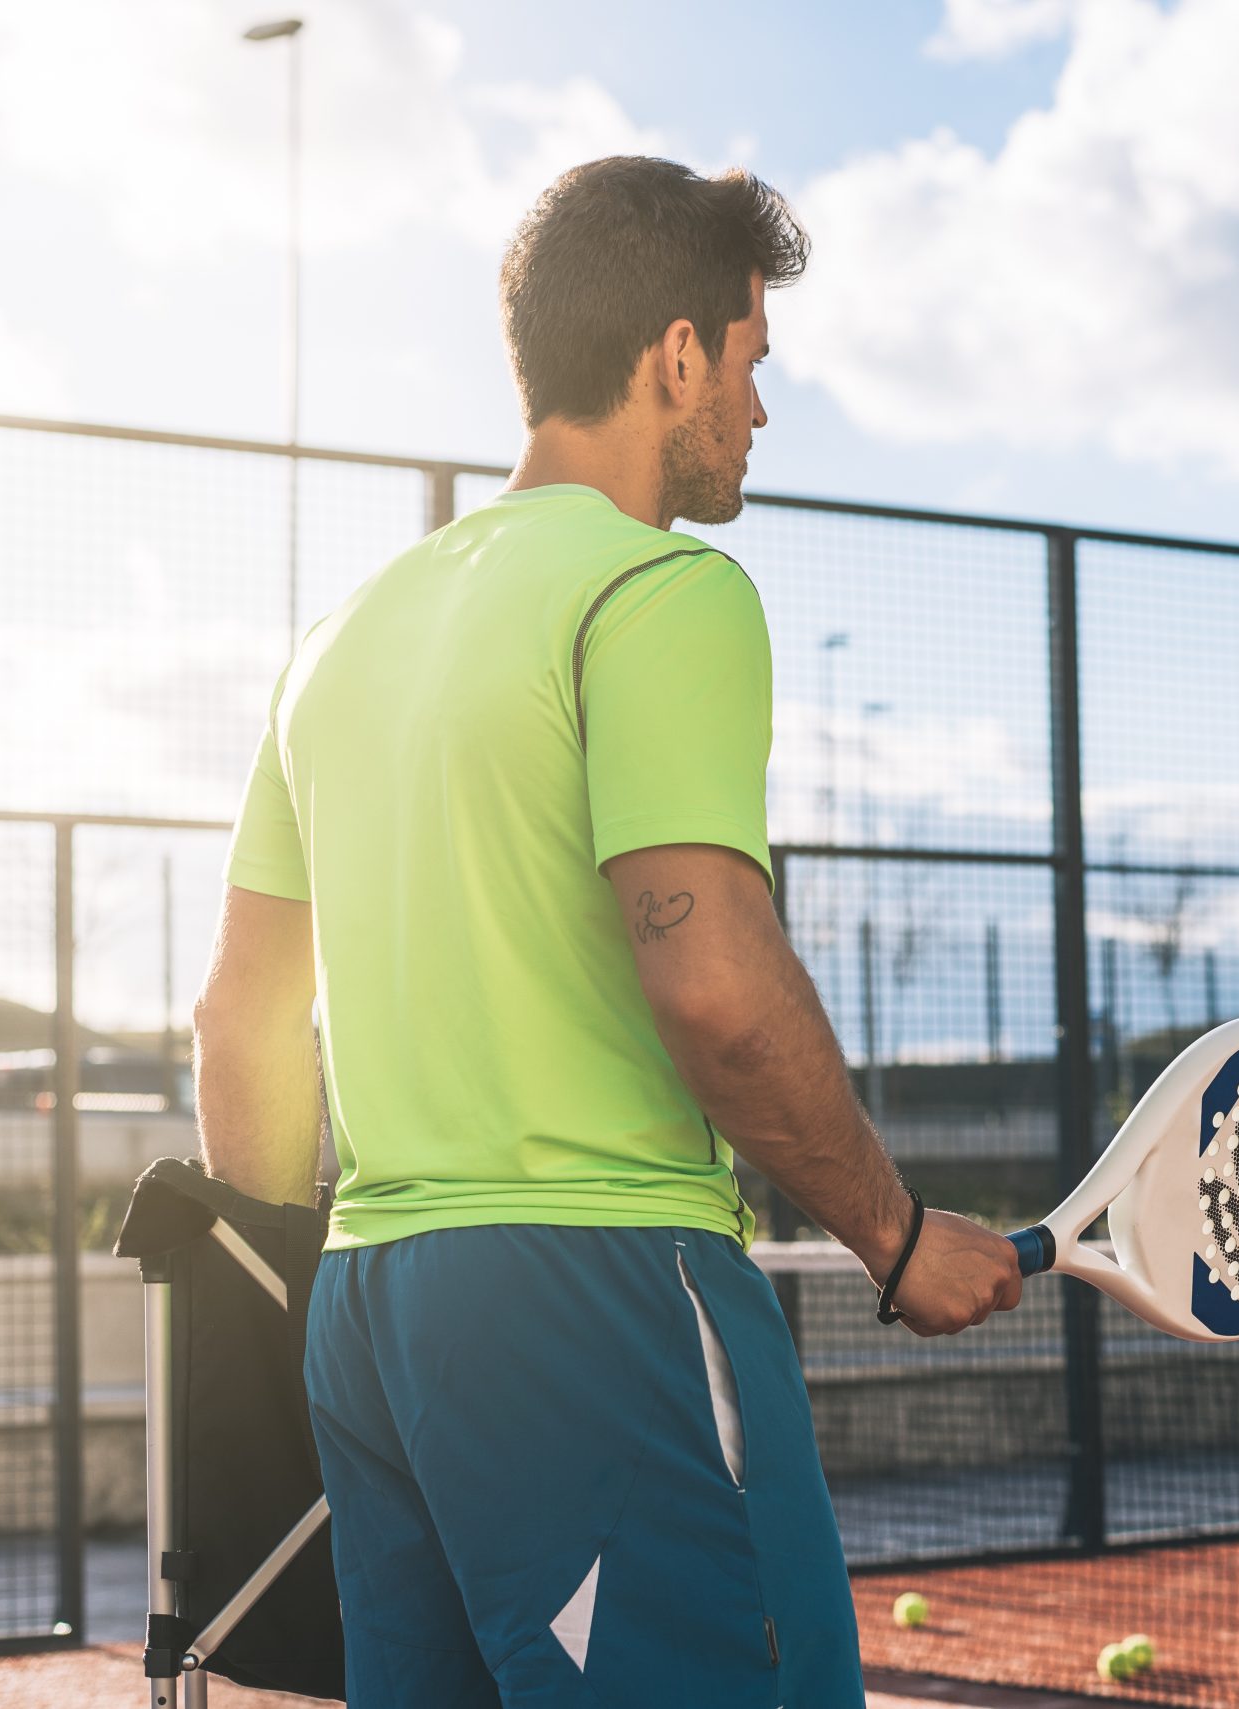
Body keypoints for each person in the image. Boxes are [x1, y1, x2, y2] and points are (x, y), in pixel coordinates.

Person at [189, 155, 1024, 1709]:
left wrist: (326, 1294)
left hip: (370, 1316)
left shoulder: (338, 640)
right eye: (753, 362)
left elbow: (239, 1025)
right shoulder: (664, 592)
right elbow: (715, 989)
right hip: (605, 1292)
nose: (758, 411)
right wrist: (896, 1237)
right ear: (678, 355)